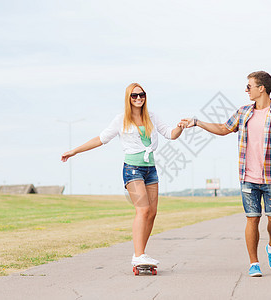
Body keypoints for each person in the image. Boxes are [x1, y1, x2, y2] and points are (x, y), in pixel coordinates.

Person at [183, 71, 271, 277]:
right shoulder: (243, 112)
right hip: (248, 178)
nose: (246, 90)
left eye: (249, 86)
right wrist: (197, 122)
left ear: (262, 88)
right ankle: (254, 263)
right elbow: (224, 128)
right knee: (252, 219)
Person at [61, 83, 187, 267]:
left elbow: (170, 134)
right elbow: (101, 139)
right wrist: (74, 151)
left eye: (141, 95)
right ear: (128, 98)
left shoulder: (152, 117)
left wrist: (180, 127)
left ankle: (141, 254)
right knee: (142, 210)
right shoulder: (121, 119)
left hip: (150, 169)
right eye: (134, 96)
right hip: (132, 168)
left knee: (152, 213)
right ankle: (138, 255)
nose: (138, 98)